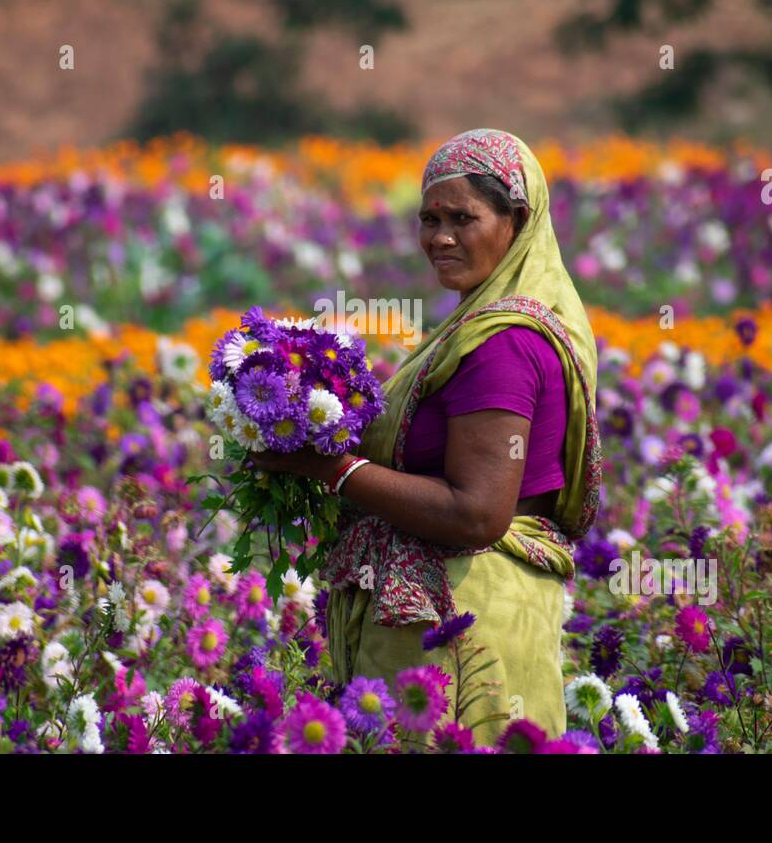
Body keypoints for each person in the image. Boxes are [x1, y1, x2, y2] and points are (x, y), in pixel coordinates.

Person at [247, 128, 602, 748]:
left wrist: (330, 468)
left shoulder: (504, 344)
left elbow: (477, 513)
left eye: (463, 218)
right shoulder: (477, 324)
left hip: (467, 629)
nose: (439, 237)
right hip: (467, 616)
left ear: (517, 220)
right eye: (429, 218)